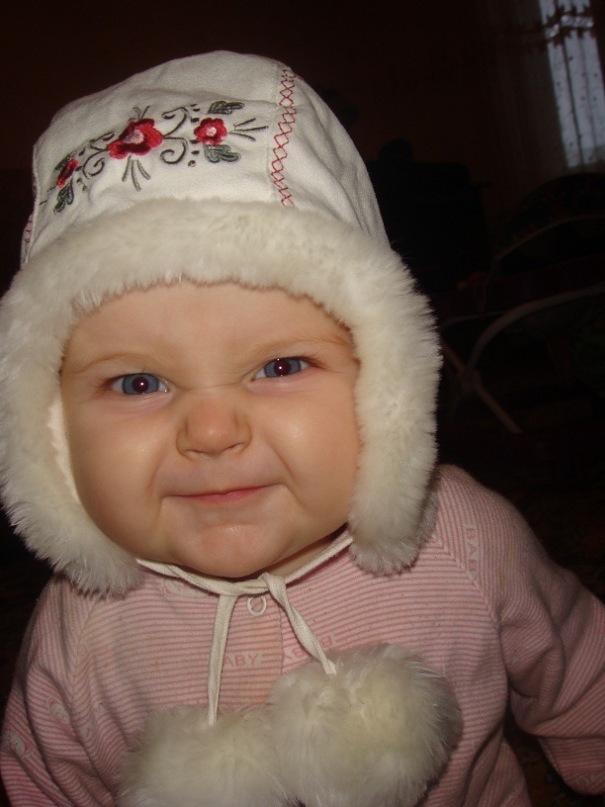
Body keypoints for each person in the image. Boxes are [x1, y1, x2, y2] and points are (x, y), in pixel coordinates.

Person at [0, 51, 603, 807]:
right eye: (138, 383)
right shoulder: (78, 630)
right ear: (50, 433)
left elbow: (583, 676)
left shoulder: (467, 540)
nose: (211, 431)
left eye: (280, 366)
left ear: (383, 382)